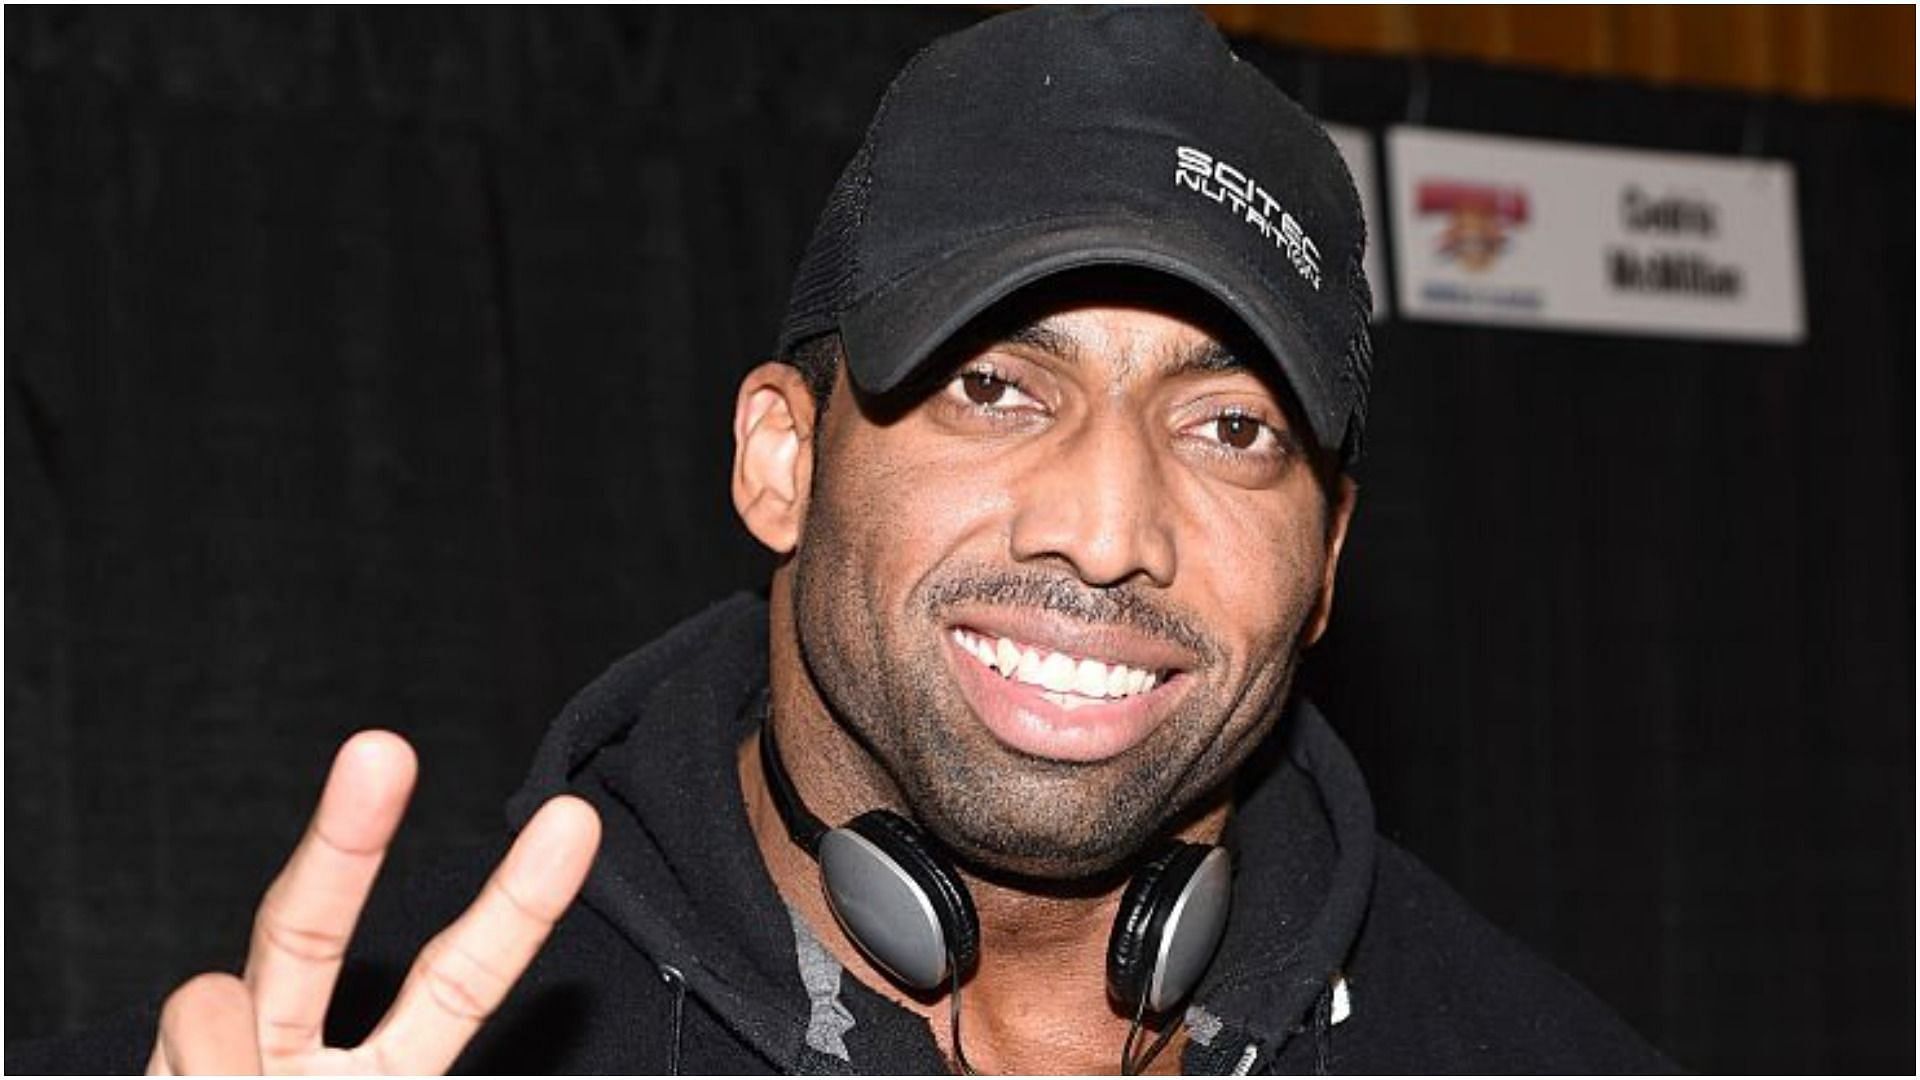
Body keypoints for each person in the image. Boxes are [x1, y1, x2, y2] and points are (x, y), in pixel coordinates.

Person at [16, 7, 1674, 1075]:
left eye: (1231, 428)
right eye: (995, 388)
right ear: (781, 459)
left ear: (1327, 565)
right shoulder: (387, 1044)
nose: (1107, 534)